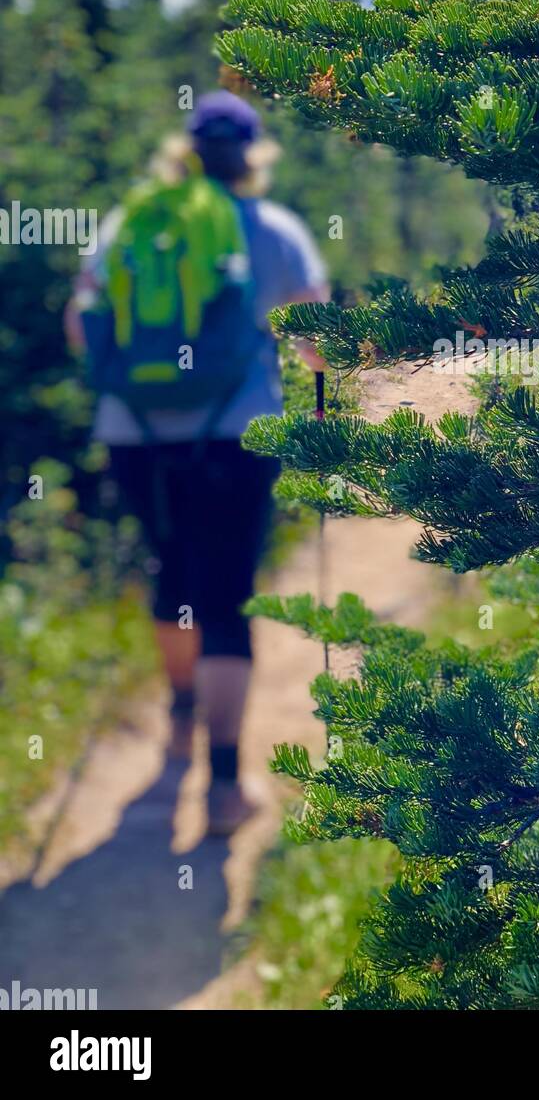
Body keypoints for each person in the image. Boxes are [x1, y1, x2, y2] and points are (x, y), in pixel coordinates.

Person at [66, 92, 328, 834]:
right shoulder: (273, 230)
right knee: (225, 595)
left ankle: (179, 712)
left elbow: (81, 328)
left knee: (171, 570)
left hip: (133, 432)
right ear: (253, 157)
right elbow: (318, 337)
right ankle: (222, 788)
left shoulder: (131, 225)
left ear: (181, 150)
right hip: (235, 433)